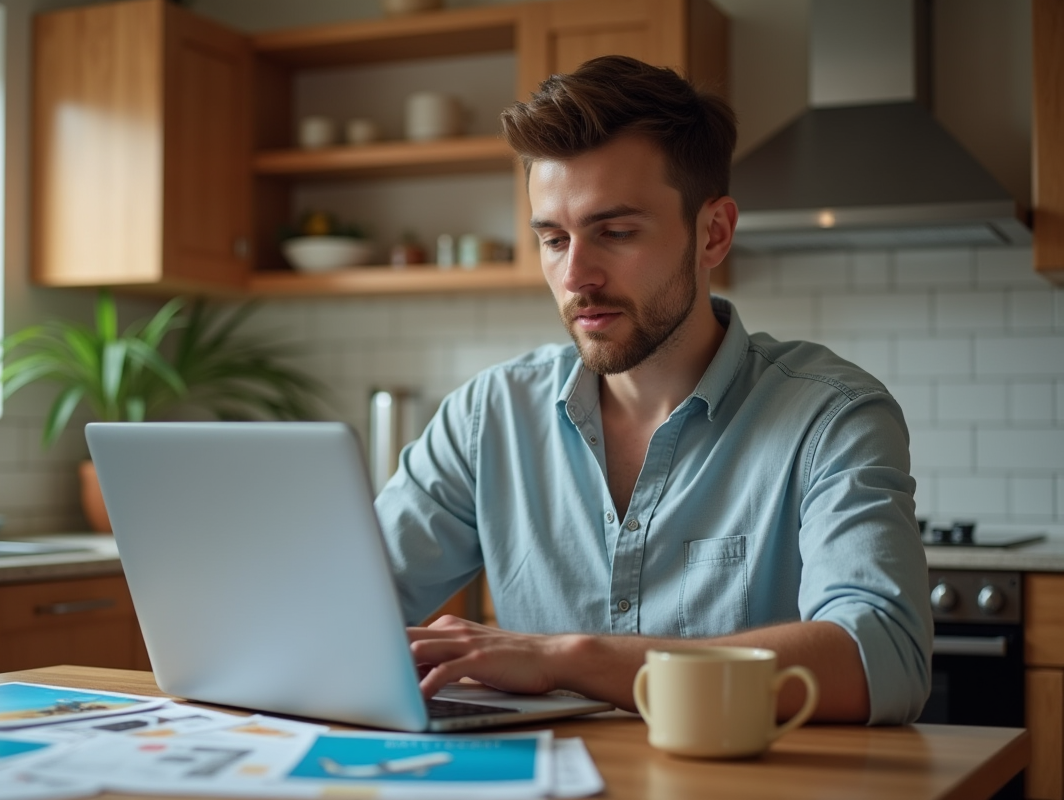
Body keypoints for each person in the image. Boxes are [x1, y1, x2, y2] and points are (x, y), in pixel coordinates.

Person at [374, 55, 932, 725]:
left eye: (615, 233)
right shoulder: (486, 416)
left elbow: (883, 657)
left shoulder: (831, 417)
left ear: (713, 233)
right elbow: (343, 603)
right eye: (554, 239)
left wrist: (569, 658)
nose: (576, 275)